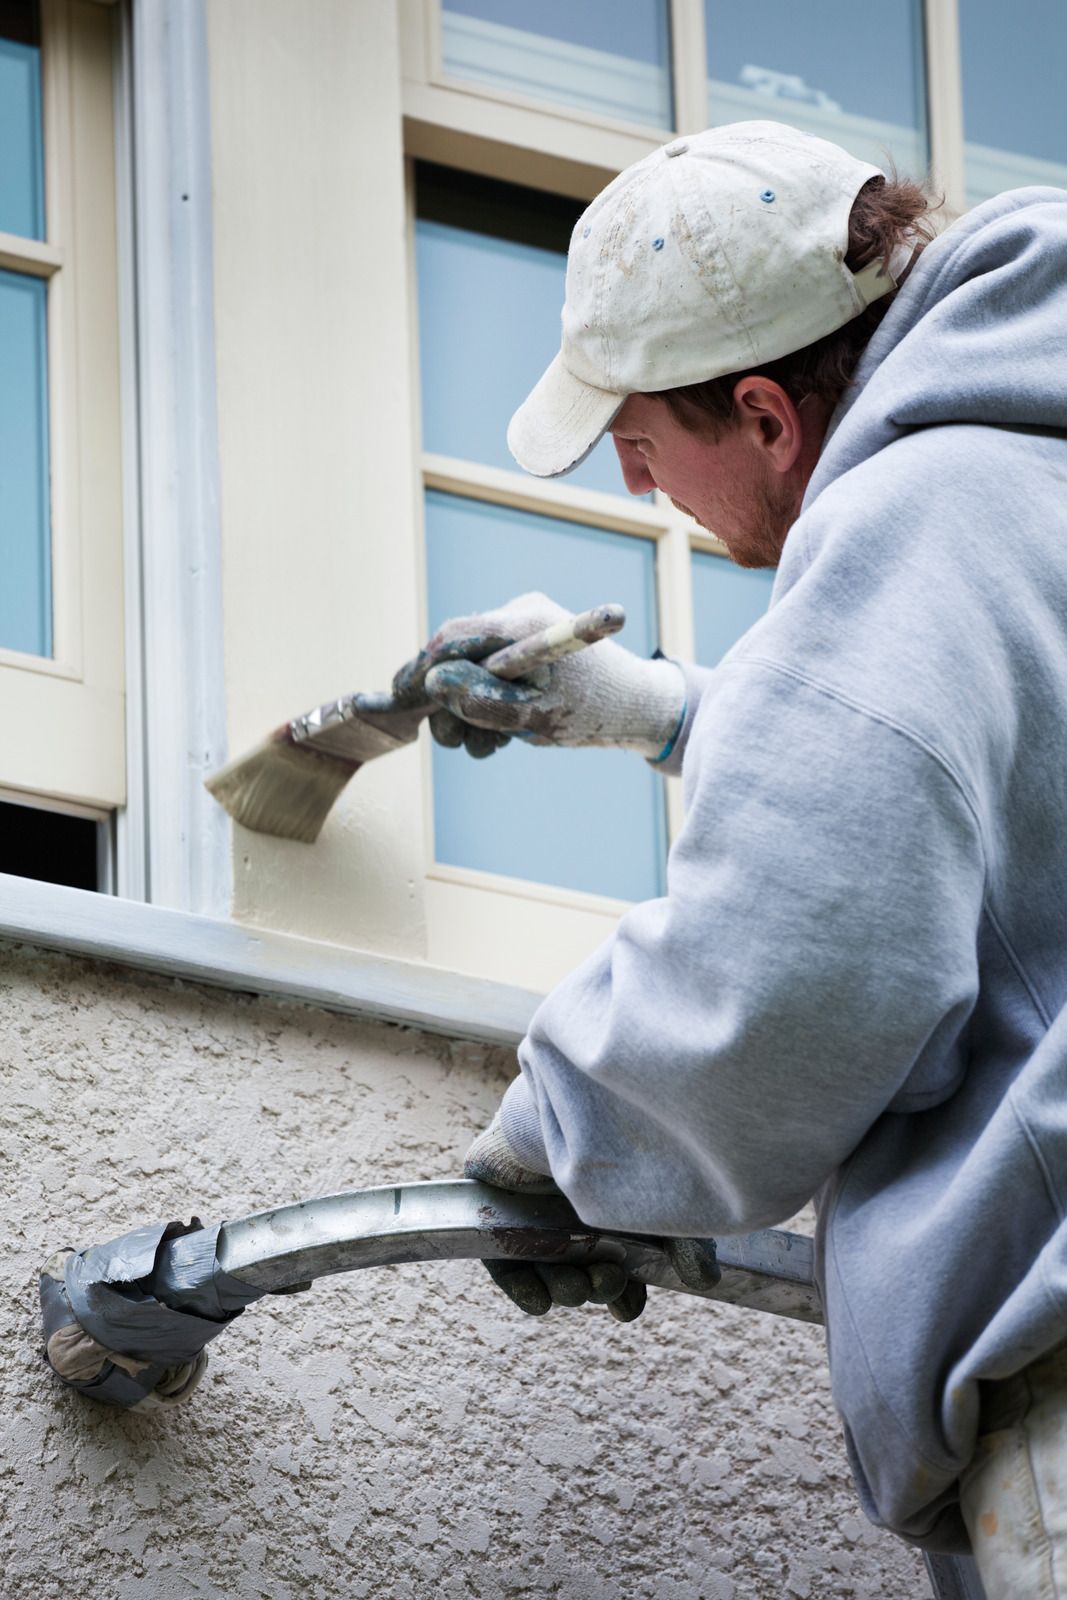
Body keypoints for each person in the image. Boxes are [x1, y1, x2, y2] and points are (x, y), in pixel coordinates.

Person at [390, 122, 1067, 1597]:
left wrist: (566, 1133)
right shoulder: (1031, 476)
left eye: (641, 446)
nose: (641, 490)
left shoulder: (916, 515)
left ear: (765, 415)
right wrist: (677, 713)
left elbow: (805, 964)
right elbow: (1003, 787)